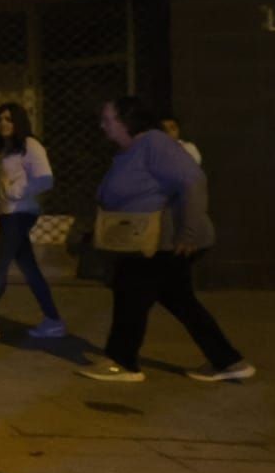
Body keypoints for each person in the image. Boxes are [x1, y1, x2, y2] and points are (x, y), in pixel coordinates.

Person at [78, 95, 254, 384]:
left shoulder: (154, 144)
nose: (103, 125)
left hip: (165, 241)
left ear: (127, 121)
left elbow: (193, 180)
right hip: (149, 241)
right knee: (179, 300)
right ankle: (228, 360)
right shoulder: (131, 150)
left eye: (109, 119)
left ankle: (122, 362)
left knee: (130, 295)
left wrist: (190, 232)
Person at [0, 103, 65, 337]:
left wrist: (16, 191)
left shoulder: (30, 145)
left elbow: (46, 178)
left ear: (18, 122)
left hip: (19, 214)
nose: (3, 124)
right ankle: (53, 319)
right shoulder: (5, 150)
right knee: (29, 269)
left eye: (9, 119)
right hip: (9, 214)